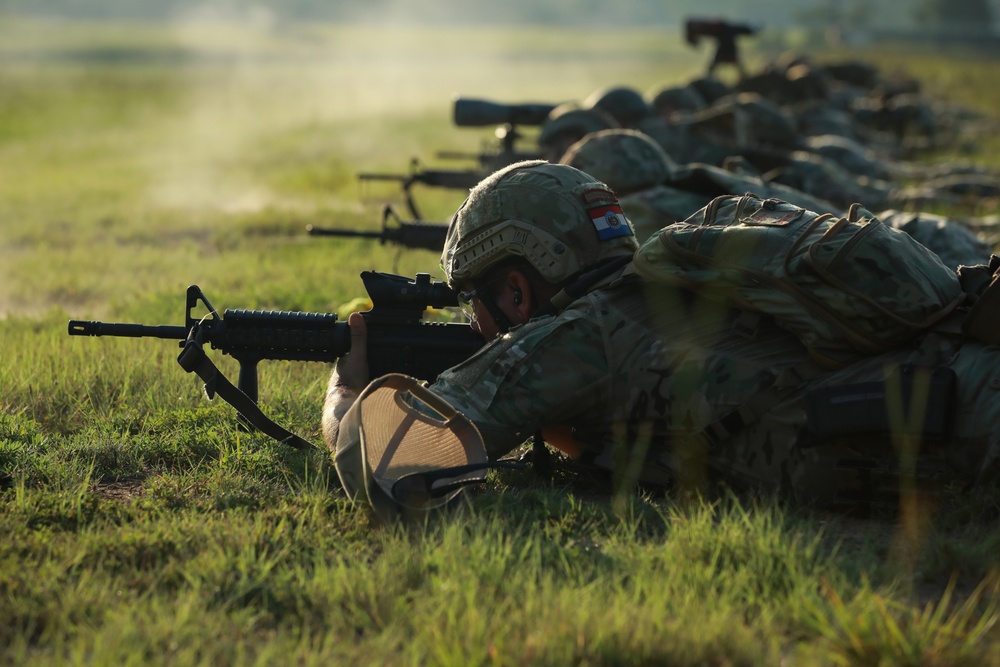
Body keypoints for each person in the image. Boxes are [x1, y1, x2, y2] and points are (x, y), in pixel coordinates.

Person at [323, 161, 1000, 511]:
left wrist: (345, 396)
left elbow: (385, 466)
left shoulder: (579, 334)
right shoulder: (673, 284)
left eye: (477, 300)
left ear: (519, 288)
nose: (475, 325)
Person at [685, 18, 758, 80]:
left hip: (726, 44)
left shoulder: (702, 27)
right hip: (726, 42)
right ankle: (745, 78)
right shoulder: (718, 28)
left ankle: (745, 78)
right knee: (734, 64)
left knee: (716, 65)